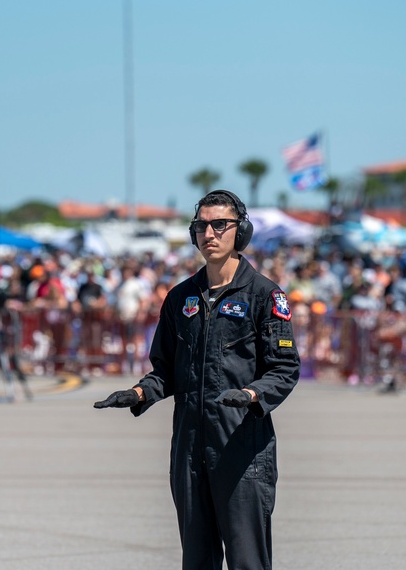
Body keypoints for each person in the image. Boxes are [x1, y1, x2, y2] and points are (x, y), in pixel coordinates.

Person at [94, 190, 300, 570]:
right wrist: (139, 392)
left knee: (247, 561)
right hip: (189, 450)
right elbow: (167, 370)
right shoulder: (179, 299)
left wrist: (252, 394)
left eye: (220, 224)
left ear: (241, 231)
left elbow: (285, 368)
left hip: (242, 447)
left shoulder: (264, 296)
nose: (210, 233)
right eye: (201, 225)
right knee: (197, 561)